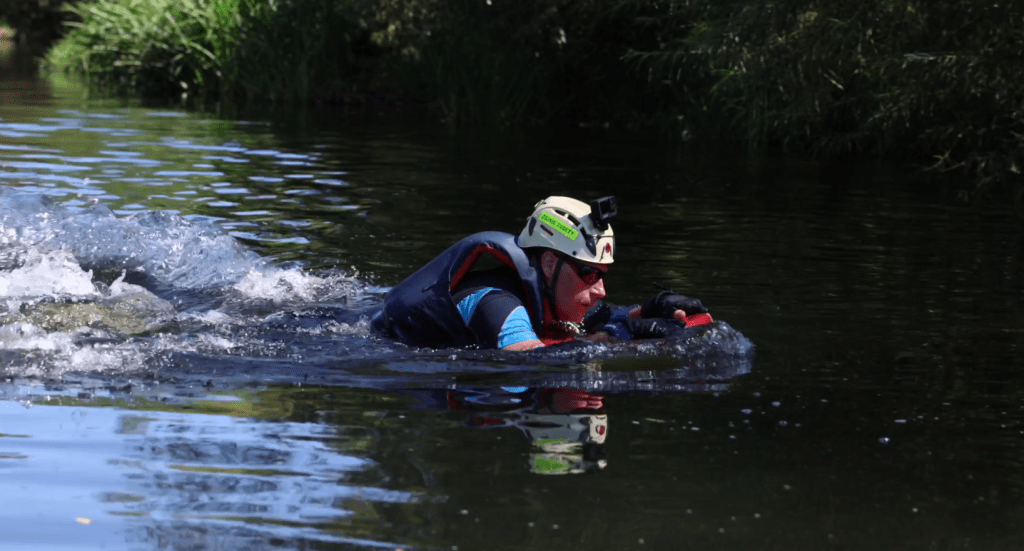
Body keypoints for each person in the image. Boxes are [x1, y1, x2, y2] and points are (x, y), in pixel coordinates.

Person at [370, 196, 712, 350]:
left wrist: (648, 310)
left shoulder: (556, 294)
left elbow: (594, 318)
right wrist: (621, 345)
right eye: (589, 275)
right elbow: (533, 361)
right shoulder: (496, 303)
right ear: (549, 264)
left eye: (603, 275)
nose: (601, 290)